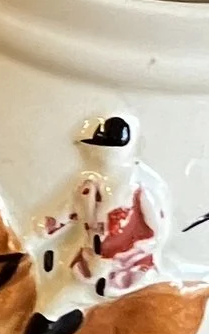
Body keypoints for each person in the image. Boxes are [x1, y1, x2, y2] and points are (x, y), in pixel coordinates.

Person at [38, 117, 171, 300]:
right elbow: (69, 212)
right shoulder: (88, 188)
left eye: (112, 149)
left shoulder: (139, 189)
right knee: (61, 300)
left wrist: (127, 255)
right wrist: (47, 227)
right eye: (102, 149)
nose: (106, 154)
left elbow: (156, 232)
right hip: (92, 261)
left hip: (129, 265)